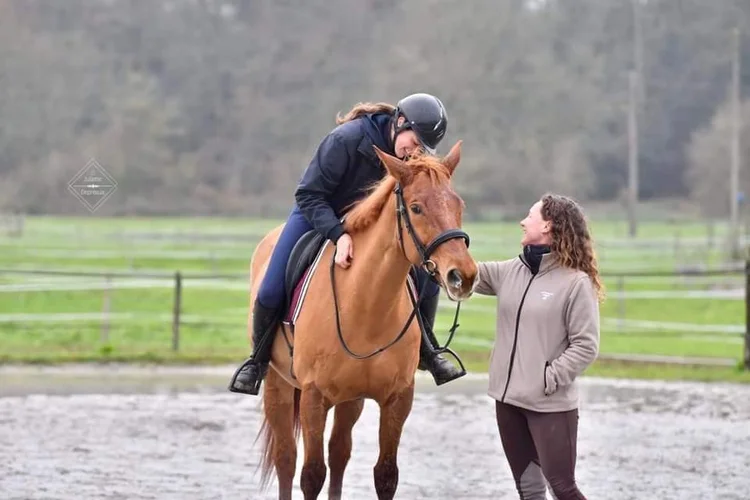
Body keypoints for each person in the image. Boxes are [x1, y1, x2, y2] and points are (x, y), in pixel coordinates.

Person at [229, 92, 465, 396]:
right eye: (414, 141)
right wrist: (338, 234)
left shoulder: (411, 157)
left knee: (426, 275)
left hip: (372, 224)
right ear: (400, 122)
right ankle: (257, 361)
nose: (414, 152)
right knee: (272, 286)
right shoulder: (345, 140)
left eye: (423, 148)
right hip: (320, 211)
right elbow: (308, 195)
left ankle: (428, 351)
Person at [474, 193, 603, 500]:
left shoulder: (576, 283)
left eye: (529, 216)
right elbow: (463, 273)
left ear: (547, 225)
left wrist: (547, 377)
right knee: (529, 490)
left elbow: (586, 345)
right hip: (507, 402)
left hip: (549, 406)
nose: (522, 221)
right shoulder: (509, 272)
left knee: (563, 488)